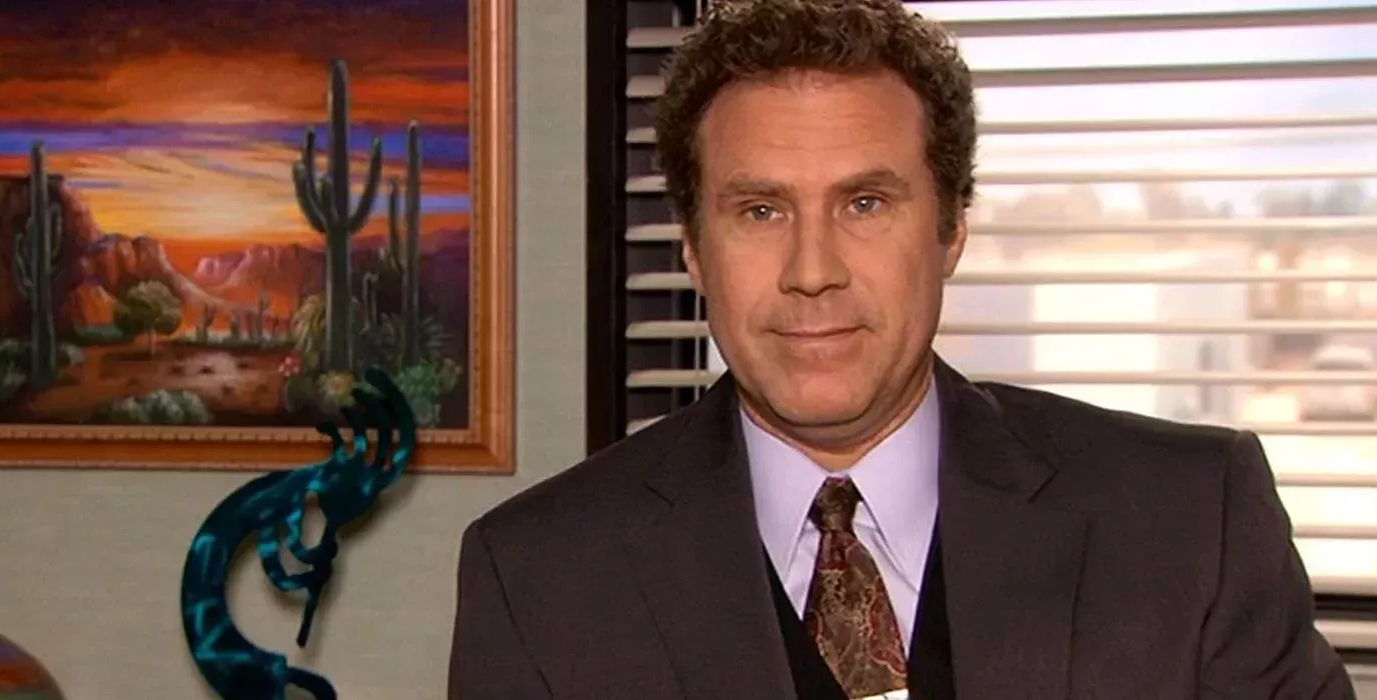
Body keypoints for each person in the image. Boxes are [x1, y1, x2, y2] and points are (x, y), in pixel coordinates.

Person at [448, 1, 1356, 698]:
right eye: (760, 210)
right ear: (692, 248)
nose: (812, 271)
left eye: (865, 203)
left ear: (951, 228)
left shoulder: (1191, 522)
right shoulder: (539, 577)